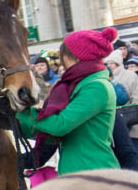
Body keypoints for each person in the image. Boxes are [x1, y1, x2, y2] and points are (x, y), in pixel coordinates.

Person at [14, 28, 121, 174]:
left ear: (77, 57)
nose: (62, 61)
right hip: (76, 171)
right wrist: (13, 117)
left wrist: (24, 113)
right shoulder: (75, 85)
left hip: (94, 171)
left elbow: (60, 124)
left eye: (63, 55)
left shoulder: (97, 87)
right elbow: (44, 126)